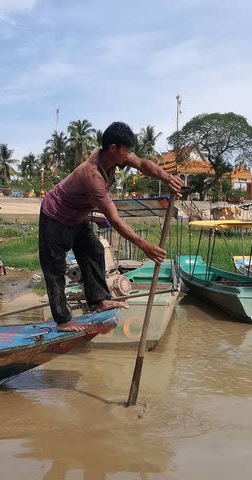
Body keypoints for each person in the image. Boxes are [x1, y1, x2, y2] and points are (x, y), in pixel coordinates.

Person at [39, 121, 183, 331]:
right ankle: (63, 320)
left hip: (76, 218)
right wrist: (145, 246)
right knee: (55, 269)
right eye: (126, 151)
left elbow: (143, 164)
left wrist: (168, 178)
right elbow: (115, 220)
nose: (128, 155)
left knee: (94, 250)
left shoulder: (115, 158)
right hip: (54, 217)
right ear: (113, 148)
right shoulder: (92, 175)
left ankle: (99, 301)